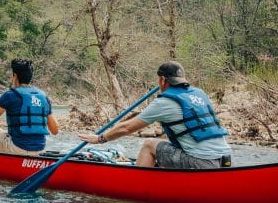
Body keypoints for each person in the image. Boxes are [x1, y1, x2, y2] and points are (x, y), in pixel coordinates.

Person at [78, 61, 232, 169]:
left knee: (149, 145)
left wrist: (100, 138)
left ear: (162, 80)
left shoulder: (164, 102)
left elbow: (127, 128)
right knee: (165, 142)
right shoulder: (199, 94)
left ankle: (139, 186)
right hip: (225, 160)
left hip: (202, 164)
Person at [0, 59, 59, 155]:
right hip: (40, 150)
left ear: (15, 76)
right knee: (3, 132)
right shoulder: (44, 97)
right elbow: (55, 130)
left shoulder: (10, 95)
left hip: (17, 149)